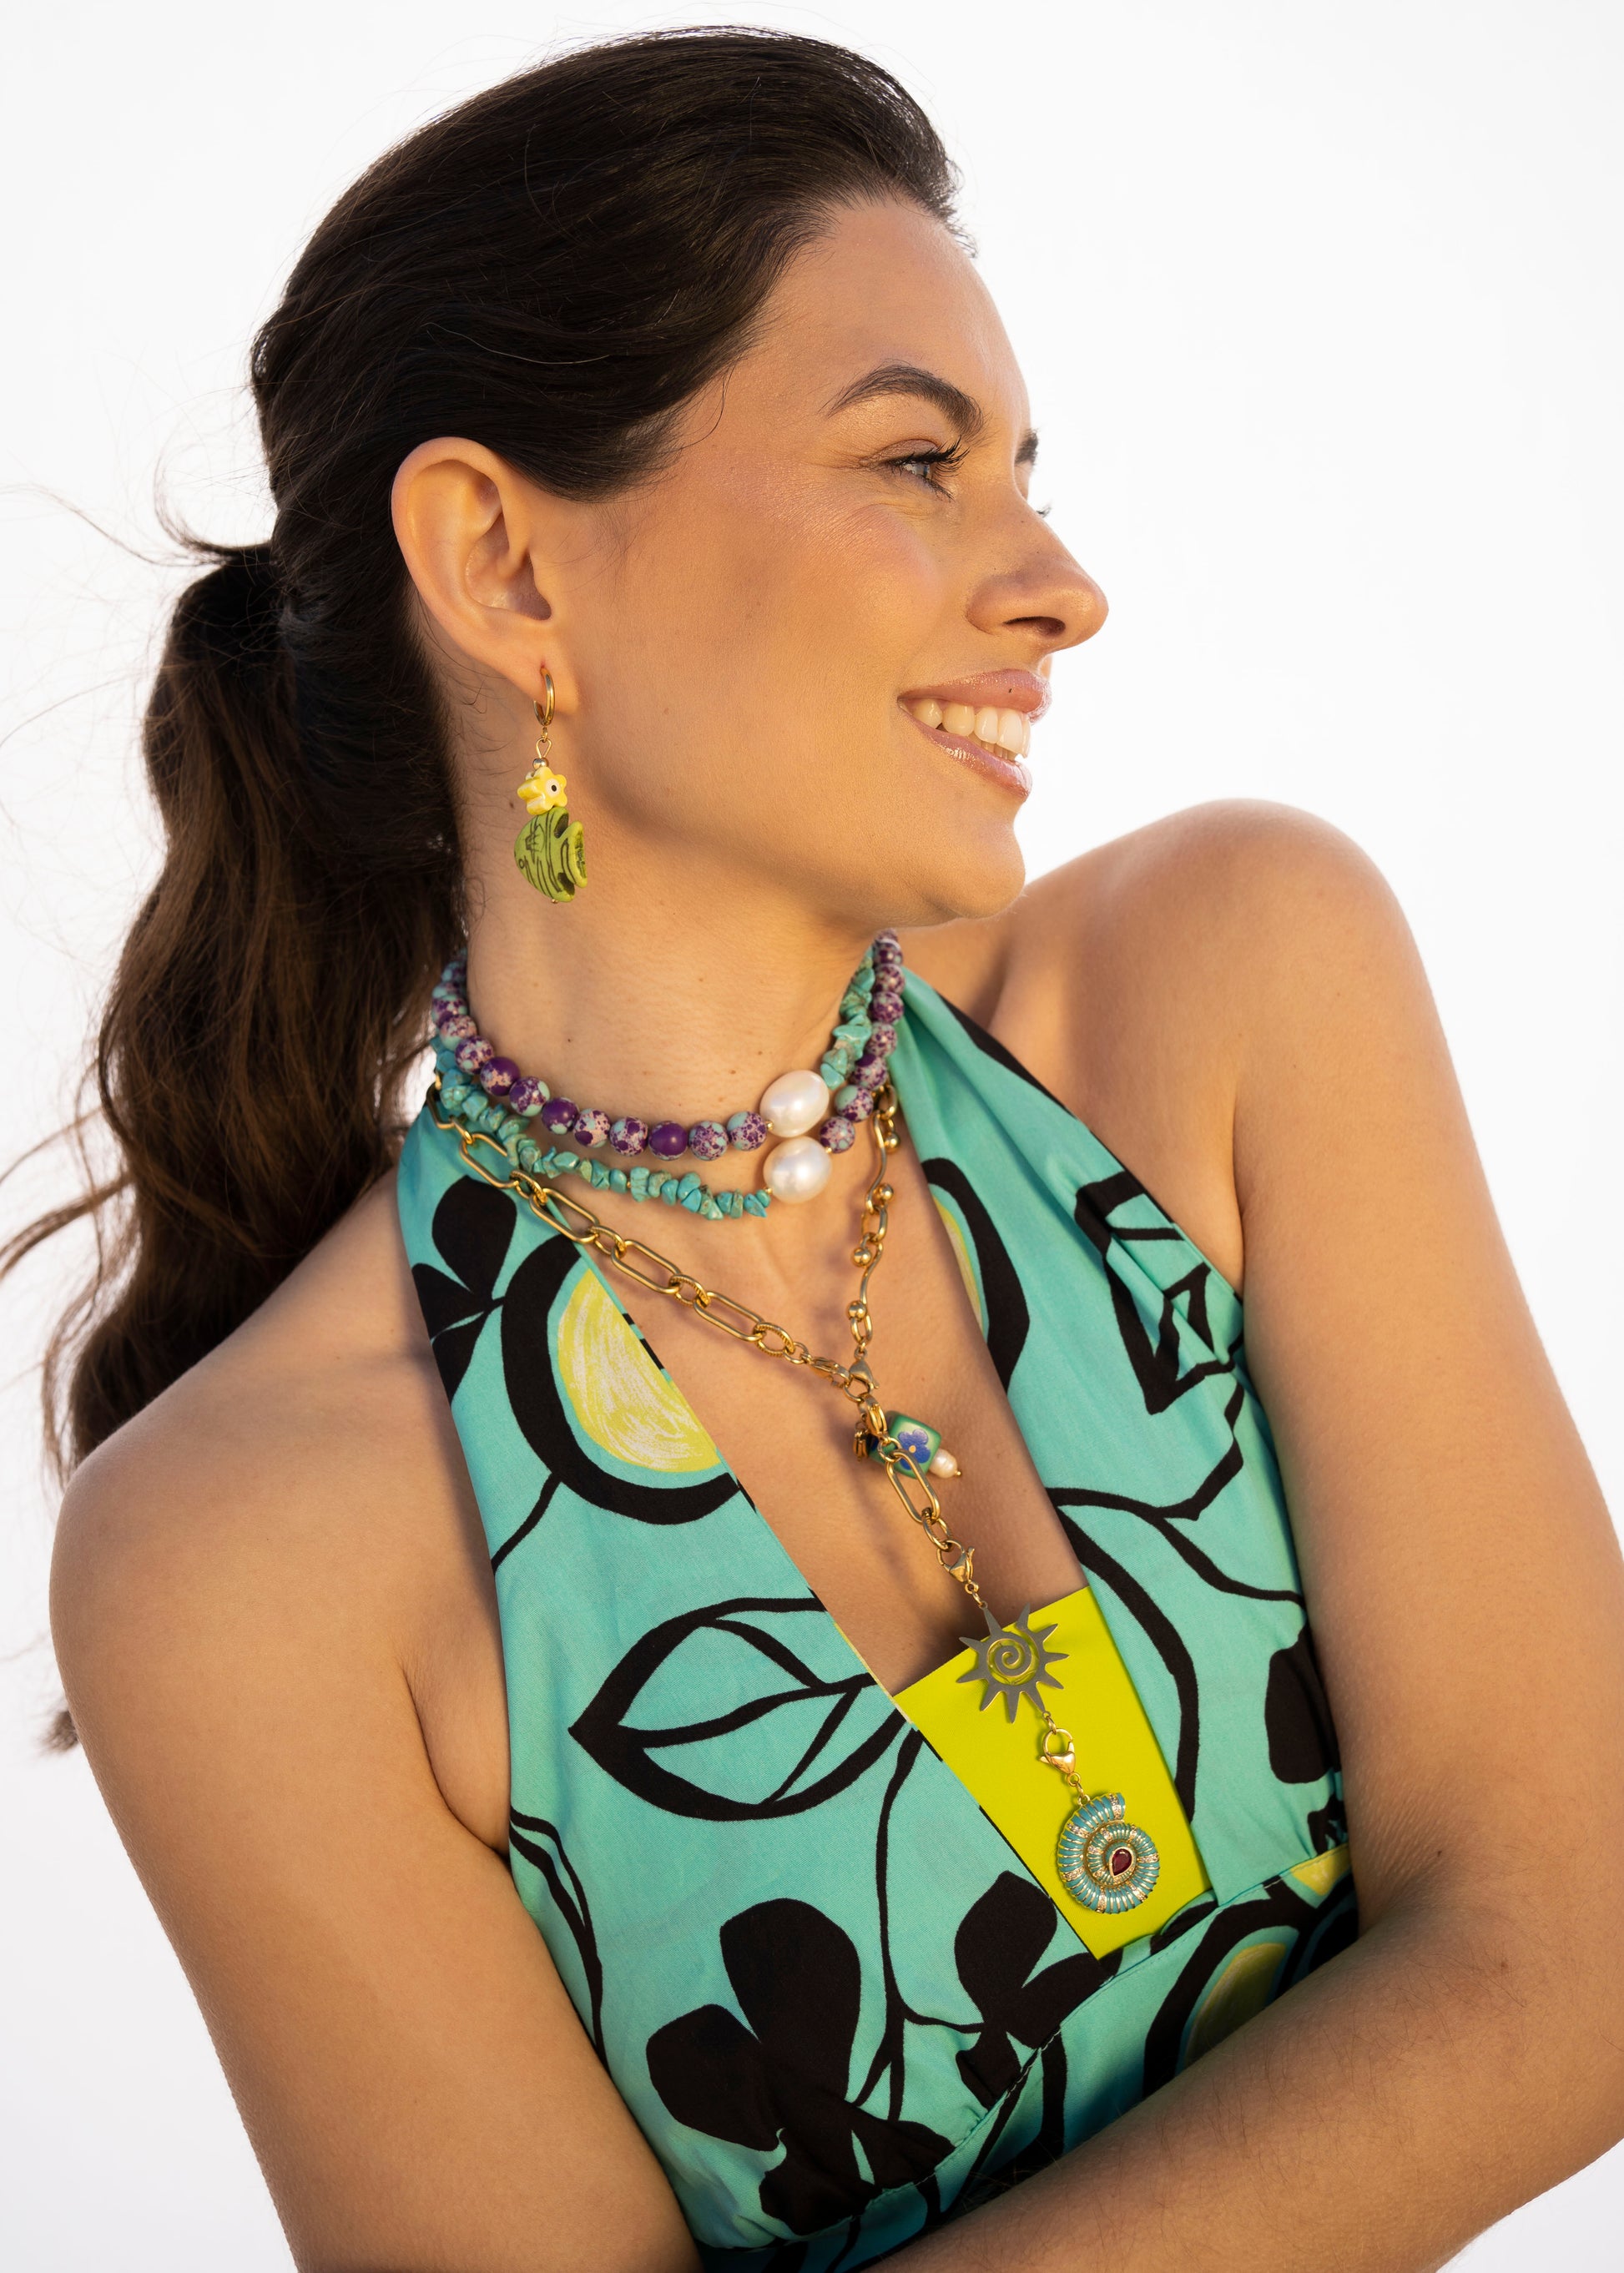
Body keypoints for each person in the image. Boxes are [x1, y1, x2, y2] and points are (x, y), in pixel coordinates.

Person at [31, 26, 1624, 2273]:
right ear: (501, 565)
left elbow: (1574, 1956)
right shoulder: (240, 1561)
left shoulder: (1230, 987)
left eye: (1026, 471)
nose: (1059, 586)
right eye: (916, 461)